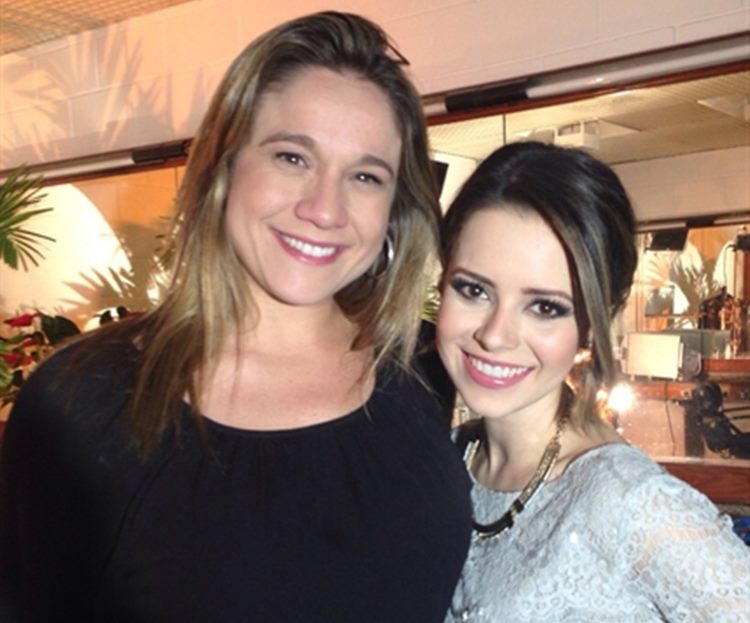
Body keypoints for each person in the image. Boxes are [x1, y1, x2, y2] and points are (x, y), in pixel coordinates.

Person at [0, 12, 472, 622]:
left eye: (365, 176)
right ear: (224, 167)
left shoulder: (428, 370)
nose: (325, 209)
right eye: (292, 158)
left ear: (393, 210)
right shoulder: (78, 401)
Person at [436, 141, 750, 622]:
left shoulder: (629, 503)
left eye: (545, 307)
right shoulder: (440, 458)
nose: (495, 335)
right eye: (474, 289)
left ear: (592, 324)